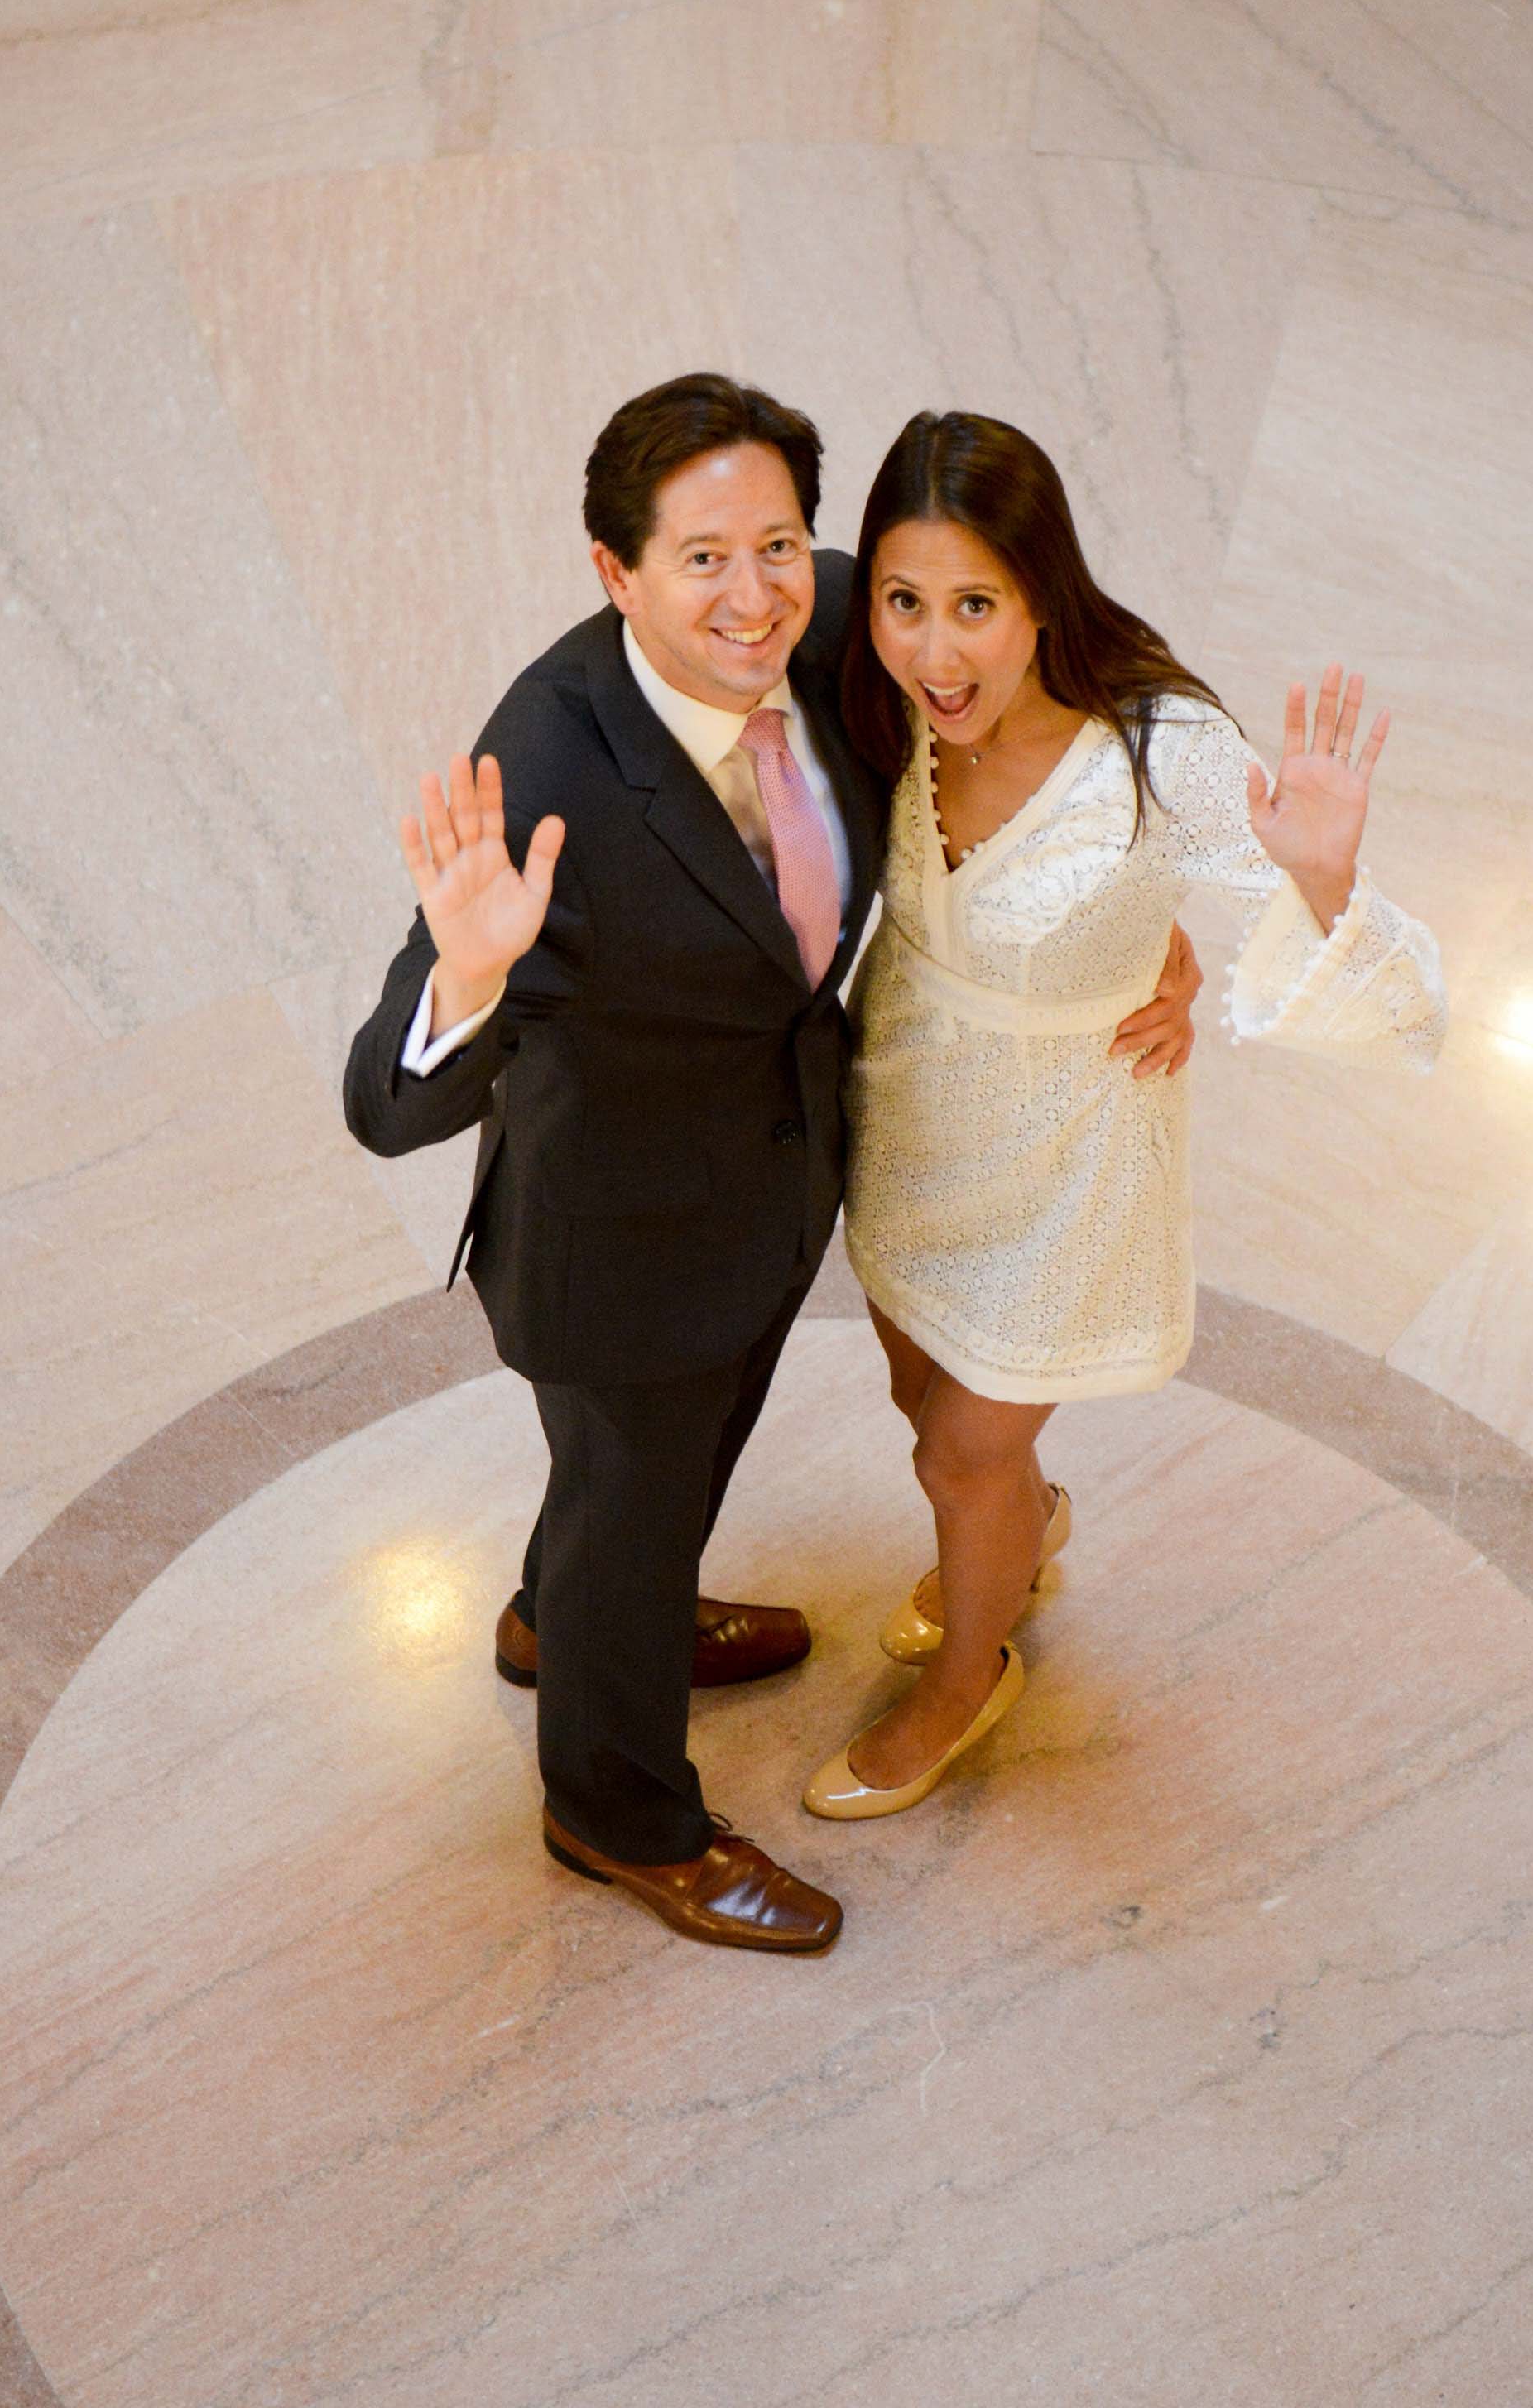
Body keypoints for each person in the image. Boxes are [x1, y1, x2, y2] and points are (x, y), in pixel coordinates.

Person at [343, 374, 1202, 1960]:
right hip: (616, 1243)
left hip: (764, 1193)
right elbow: (385, 1109)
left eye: (782, 546)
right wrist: (465, 983)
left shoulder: (828, 647)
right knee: (633, 1482)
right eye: (701, 563)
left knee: (643, 1501)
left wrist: (1165, 949)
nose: (754, 600)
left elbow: (1025, 731)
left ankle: (577, 1617)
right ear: (615, 575)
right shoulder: (550, 763)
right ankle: (615, 1809)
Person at [803, 407, 1446, 1824]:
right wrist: (1158, 948)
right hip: (911, 1110)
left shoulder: (1157, 749)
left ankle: (971, 1677)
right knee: (925, 1393)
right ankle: (1017, 1534)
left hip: (1070, 1149)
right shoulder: (876, 701)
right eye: (907, 603)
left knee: (957, 1445)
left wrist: (1324, 881)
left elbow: (1384, 1002)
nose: (937, 650)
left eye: (976, 604)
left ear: (1042, 592)